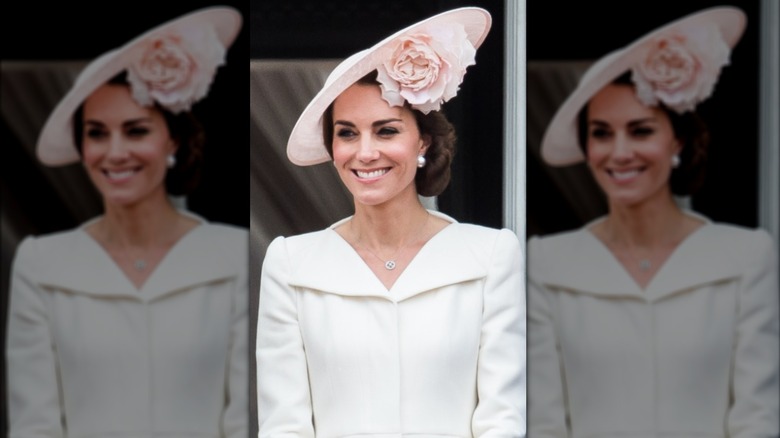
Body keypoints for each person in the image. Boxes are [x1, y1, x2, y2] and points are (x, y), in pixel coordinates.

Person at [255, 7, 525, 437]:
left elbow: (501, 419)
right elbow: (284, 425)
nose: (364, 152)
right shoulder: (291, 262)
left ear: (423, 140)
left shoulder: (489, 254)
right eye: (347, 133)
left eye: (386, 131)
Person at [528, 6, 779, 437]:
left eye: (640, 130)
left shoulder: (745, 256)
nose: (620, 152)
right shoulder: (546, 262)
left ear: (677, 138)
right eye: (602, 133)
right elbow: (546, 421)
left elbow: (756, 415)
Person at [5, 7, 249, 437]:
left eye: (135, 131)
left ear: (172, 137)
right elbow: (34, 423)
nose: (114, 152)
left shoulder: (234, 256)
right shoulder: (42, 263)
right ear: (81, 145)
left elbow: (243, 416)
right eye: (97, 133)